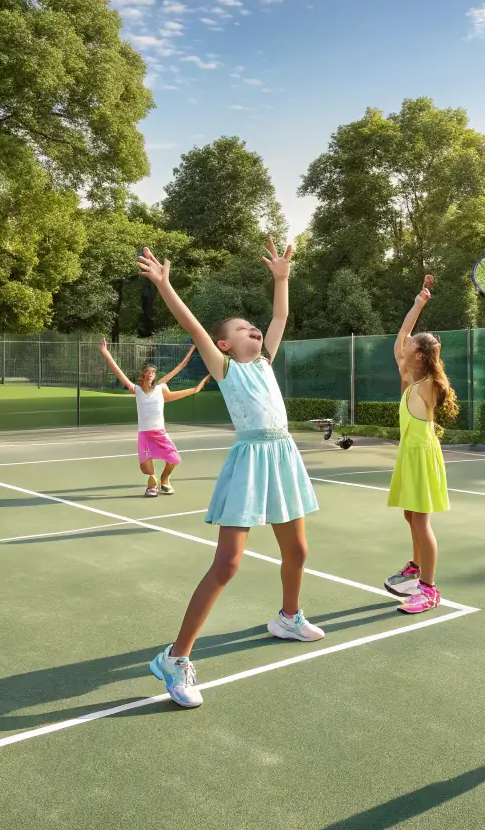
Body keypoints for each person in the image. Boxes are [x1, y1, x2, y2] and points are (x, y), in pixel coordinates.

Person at [138, 239, 324, 709]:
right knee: (228, 565)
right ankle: (174, 658)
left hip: (283, 457)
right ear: (224, 344)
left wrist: (282, 279)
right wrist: (165, 286)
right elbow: (192, 324)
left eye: (254, 326)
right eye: (243, 329)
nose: (255, 329)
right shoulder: (225, 368)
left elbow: (279, 318)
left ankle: (288, 616)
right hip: (250, 462)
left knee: (298, 549)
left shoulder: (264, 363)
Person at [383, 275, 457, 614]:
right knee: (410, 516)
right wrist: (418, 303)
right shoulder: (410, 375)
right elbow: (401, 335)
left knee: (422, 521)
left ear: (421, 356)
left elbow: (407, 340)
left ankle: (429, 588)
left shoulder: (427, 383)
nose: (405, 344)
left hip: (423, 454)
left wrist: (419, 316)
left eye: (412, 345)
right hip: (409, 453)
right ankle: (415, 567)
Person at [98, 340, 210, 497]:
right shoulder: (135, 389)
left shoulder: (160, 388)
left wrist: (193, 348)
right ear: (143, 374)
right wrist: (105, 352)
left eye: (154, 373)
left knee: (174, 459)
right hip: (145, 434)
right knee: (146, 467)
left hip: (160, 432)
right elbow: (117, 371)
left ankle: (165, 479)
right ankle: (152, 483)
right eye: (149, 372)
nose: (151, 374)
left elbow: (180, 366)